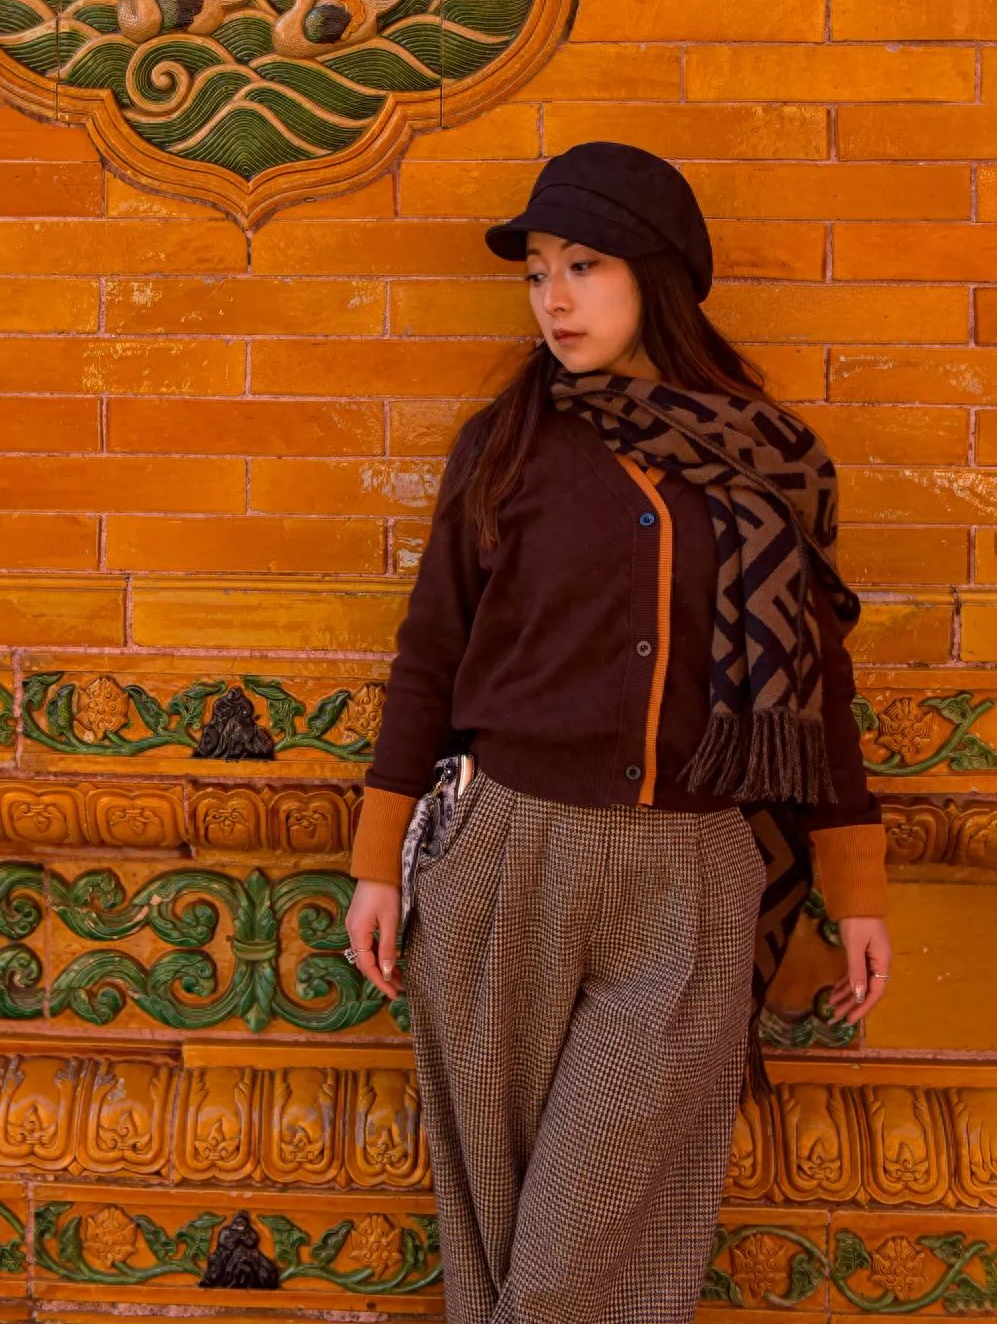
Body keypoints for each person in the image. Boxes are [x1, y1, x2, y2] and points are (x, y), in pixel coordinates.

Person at [343, 139, 892, 1324]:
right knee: (494, 1243)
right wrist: (375, 863)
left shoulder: (763, 461)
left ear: (657, 276)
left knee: (575, 1262)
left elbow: (819, 687)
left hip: (687, 882)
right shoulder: (503, 449)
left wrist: (854, 887)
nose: (553, 297)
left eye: (582, 265)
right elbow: (430, 651)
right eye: (537, 270)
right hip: (504, 857)